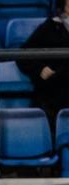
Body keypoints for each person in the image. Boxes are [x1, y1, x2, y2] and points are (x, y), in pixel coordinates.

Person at [16, 0, 69, 132]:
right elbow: (23, 54)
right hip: (56, 91)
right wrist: (40, 69)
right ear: (64, 5)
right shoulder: (50, 27)